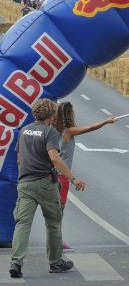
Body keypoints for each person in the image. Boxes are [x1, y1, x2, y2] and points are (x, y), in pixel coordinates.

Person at [10, 99, 87, 278]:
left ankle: (16, 262)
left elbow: (20, 159)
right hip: (45, 183)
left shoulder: (24, 130)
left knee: (22, 225)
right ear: (51, 116)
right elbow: (54, 157)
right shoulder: (50, 131)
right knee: (53, 223)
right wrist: (72, 178)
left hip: (25, 184)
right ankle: (56, 262)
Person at [51, 102, 116, 249]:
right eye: (73, 111)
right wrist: (106, 121)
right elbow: (90, 128)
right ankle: (58, 242)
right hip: (62, 177)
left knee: (54, 210)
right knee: (59, 211)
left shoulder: (52, 131)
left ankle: (56, 240)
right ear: (68, 114)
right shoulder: (68, 131)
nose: (74, 114)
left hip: (51, 175)